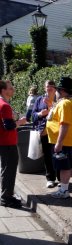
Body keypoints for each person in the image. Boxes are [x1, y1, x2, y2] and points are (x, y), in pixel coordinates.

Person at [46, 77, 72, 198]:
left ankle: (64, 191)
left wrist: (59, 143)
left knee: (64, 168)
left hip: (65, 142)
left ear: (62, 91)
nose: (56, 93)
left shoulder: (64, 104)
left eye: (58, 90)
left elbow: (64, 124)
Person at [0, 80, 27, 208]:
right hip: (7, 143)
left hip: (4, 142)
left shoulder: (2, 103)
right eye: (10, 88)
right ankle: (6, 198)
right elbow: (8, 126)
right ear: (3, 90)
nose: (13, 90)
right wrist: (20, 122)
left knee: (6, 169)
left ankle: (7, 195)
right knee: (9, 170)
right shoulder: (4, 105)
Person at [31, 80, 59, 188]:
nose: (49, 88)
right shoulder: (39, 100)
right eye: (48, 86)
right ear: (44, 88)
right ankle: (50, 178)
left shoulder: (59, 99)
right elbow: (33, 116)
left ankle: (61, 179)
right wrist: (39, 114)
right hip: (44, 132)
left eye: (52, 86)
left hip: (57, 132)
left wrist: (51, 107)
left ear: (55, 88)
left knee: (58, 156)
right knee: (47, 156)